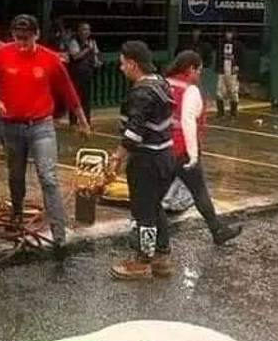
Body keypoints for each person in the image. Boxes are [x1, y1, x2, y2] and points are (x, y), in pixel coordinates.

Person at [0, 14, 90, 258]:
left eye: (27, 38)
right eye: (18, 38)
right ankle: (17, 212)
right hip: (11, 126)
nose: (22, 43)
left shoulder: (49, 58)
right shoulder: (1, 54)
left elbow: (67, 89)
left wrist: (81, 120)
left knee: (48, 177)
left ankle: (59, 235)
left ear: (36, 35)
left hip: (41, 126)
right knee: (15, 175)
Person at [110, 41, 177, 281]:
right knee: (155, 206)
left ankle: (142, 261)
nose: (121, 68)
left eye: (122, 64)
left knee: (144, 211)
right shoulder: (161, 83)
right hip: (166, 154)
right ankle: (162, 257)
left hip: (147, 159)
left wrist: (117, 157)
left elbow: (133, 133)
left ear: (132, 64)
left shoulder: (141, 93)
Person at [167, 50, 242, 246]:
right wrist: (193, 155)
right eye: (199, 70)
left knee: (154, 193)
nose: (200, 75)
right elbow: (188, 123)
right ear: (190, 69)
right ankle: (217, 230)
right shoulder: (190, 90)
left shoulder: (165, 84)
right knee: (199, 191)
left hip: (162, 148)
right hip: (183, 150)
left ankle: (142, 231)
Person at [66, 22, 100, 126]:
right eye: (84, 29)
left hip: (87, 73)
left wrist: (96, 62)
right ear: (79, 31)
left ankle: (86, 121)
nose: (86, 32)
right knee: (75, 98)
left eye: (88, 29)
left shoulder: (92, 42)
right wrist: (87, 49)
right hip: (76, 74)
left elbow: (95, 55)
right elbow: (76, 56)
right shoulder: (74, 42)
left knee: (86, 99)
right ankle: (73, 121)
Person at [217, 30, 241, 119]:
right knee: (220, 92)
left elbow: (241, 57)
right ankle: (220, 113)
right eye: (227, 33)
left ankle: (233, 113)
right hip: (222, 71)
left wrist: (237, 65)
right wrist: (219, 69)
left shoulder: (237, 45)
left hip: (232, 72)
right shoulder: (221, 45)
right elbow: (219, 57)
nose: (228, 35)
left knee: (233, 92)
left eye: (230, 33)